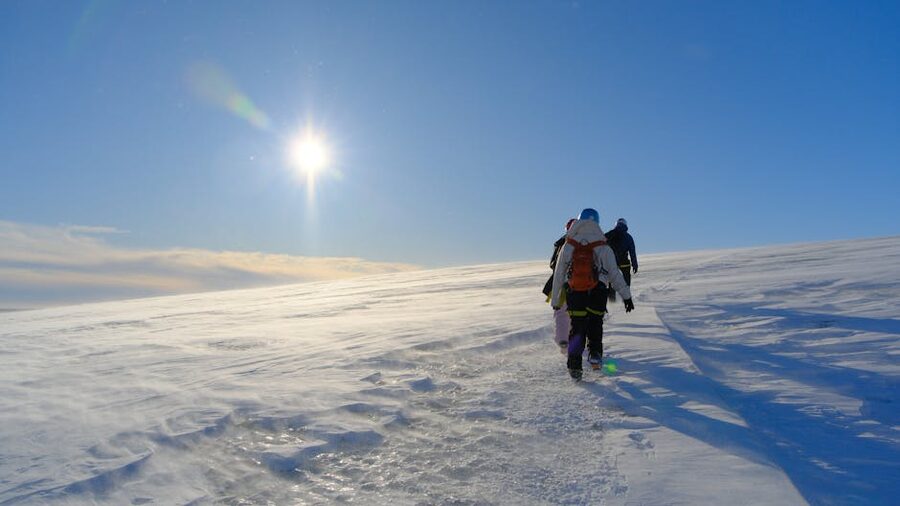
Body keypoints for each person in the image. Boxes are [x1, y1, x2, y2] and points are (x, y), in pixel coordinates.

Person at [550, 208, 634, 380]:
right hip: (599, 291)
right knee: (595, 324)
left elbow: (559, 273)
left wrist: (556, 300)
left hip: (575, 292)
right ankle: (595, 354)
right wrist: (627, 296)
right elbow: (614, 273)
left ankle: (574, 366)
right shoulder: (603, 244)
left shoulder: (569, 244)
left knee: (577, 327)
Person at [543, 218, 577, 354]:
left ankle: (563, 340)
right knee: (579, 314)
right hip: (581, 284)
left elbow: (552, 264)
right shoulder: (588, 242)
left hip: (560, 284)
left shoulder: (561, 242)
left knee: (561, 313)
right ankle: (578, 344)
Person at [605, 218, 638, 302]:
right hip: (624, 263)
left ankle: (612, 299)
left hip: (612, 263)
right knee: (626, 280)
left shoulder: (610, 234)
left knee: (612, 281)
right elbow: (632, 252)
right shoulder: (628, 237)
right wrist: (635, 264)